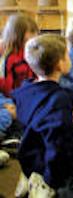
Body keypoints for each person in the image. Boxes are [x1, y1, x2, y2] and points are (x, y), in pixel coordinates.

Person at [12, 34, 73, 198]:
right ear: (59, 64)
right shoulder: (59, 100)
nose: (70, 57)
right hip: (51, 163)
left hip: (30, 156)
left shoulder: (25, 88)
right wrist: (52, 179)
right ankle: (47, 189)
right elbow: (58, 146)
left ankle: (32, 176)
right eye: (67, 54)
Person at [0, 13, 38, 154]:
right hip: (12, 95)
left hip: (26, 93)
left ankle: (16, 137)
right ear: (17, 35)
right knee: (14, 113)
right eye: (31, 33)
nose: (35, 36)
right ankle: (13, 137)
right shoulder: (9, 57)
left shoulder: (31, 52)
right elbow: (8, 85)